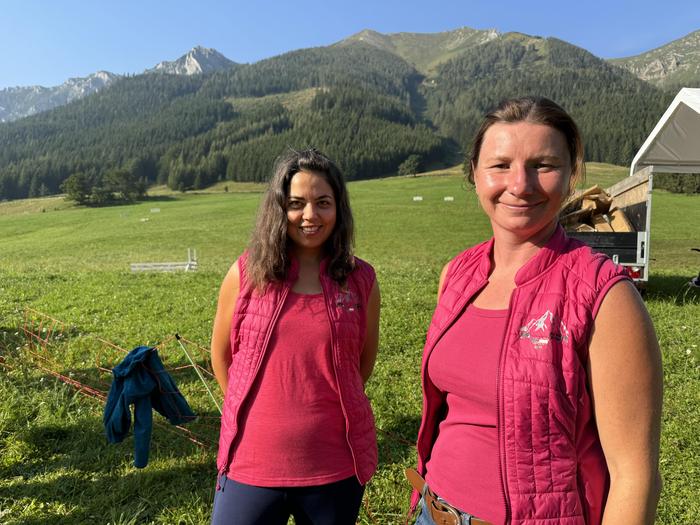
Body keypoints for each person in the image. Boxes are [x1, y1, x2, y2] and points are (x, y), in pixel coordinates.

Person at [408, 97, 662, 525]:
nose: (520, 184)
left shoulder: (606, 296)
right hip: (433, 512)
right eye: (500, 165)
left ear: (571, 174)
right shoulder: (457, 274)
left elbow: (634, 475)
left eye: (543, 165)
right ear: (474, 173)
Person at [210, 148, 381, 525]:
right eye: (296, 203)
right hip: (250, 464)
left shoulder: (361, 280)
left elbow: (361, 365)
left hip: (334, 468)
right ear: (278, 209)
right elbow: (221, 357)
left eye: (323, 203)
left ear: (339, 209)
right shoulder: (246, 273)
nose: (310, 216)